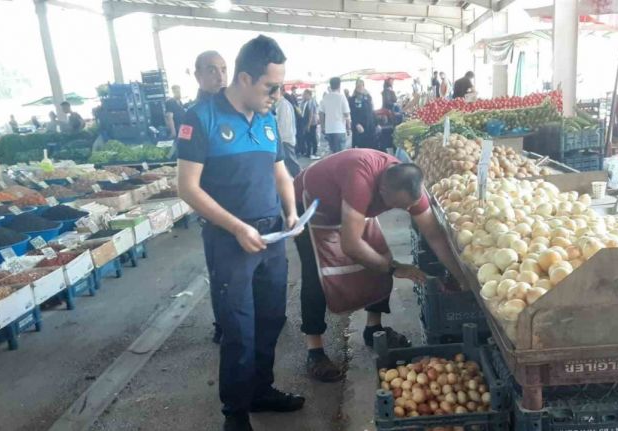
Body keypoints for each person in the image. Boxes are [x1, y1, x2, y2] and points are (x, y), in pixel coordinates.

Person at [177, 35, 304, 431]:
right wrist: (235, 226)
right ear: (245, 79)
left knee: (271, 319)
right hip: (230, 241)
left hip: (272, 240)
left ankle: (261, 390)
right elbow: (188, 187)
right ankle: (235, 412)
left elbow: (279, 171)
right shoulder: (200, 119)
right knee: (239, 328)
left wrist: (291, 211)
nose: (278, 95)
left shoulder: (266, 119)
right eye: (271, 87)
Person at [293, 149, 466, 382]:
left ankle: (373, 329)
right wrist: (395, 268)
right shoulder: (360, 181)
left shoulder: (408, 187)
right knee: (318, 275)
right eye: (397, 206)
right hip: (311, 205)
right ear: (382, 192)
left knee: (379, 253)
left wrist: (462, 277)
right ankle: (315, 351)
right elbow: (351, 245)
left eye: (407, 207)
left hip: (350, 204)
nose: (403, 210)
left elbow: (434, 235)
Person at [191, 50, 229, 344]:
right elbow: (191, 180)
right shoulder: (195, 115)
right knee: (221, 273)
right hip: (216, 210)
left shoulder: (233, 108)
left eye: (223, 69)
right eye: (212, 70)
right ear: (198, 76)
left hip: (242, 207)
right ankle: (223, 325)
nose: (219, 76)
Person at [273, 88, 301, 177]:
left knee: (291, 163)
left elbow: (284, 125)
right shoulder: (279, 104)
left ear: (280, 91)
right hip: (283, 139)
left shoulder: (283, 105)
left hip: (285, 139)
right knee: (288, 164)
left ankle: (301, 183)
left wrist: (279, 139)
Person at [319, 77, 350, 154]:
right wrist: (348, 128)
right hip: (340, 129)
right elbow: (347, 114)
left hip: (329, 130)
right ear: (339, 85)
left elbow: (321, 113)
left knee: (333, 154)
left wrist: (323, 127)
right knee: (341, 155)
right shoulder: (342, 97)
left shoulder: (325, 98)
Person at [349, 79, 375, 150]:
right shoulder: (352, 99)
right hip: (359, 126)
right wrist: (356, 124)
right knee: (361, 147)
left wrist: (377, 123)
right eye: (358, 86)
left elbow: (371, 111)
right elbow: (352, 113)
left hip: (369, 125)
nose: (360, 88)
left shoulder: (368, 97)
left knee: (371, 146)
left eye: (361, 86)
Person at [300, 89, 320, 160]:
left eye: (305, 94)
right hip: (306, 122)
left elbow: (311, 114)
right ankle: (308, 153)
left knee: (312, 138)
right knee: (307, 138)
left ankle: (314, 152)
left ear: (309, 94)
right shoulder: (305, 102)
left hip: (311, 123)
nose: (303, 96)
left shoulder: (312, 102)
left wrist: (308, 124)